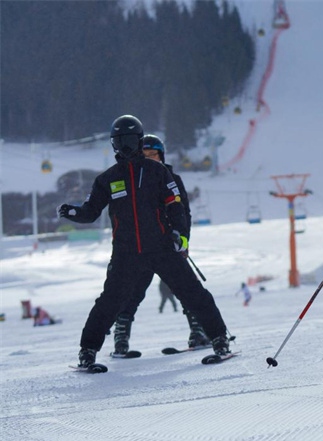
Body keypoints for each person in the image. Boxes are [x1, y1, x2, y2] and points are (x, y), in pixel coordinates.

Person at [58, 115, 232, 369]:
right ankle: (87, 352)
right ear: (114, 144)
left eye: (130, 140)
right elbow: (91, 210)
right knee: (109, 302)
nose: (126, 146)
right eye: (120, 141)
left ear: (139, 141)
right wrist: (75, 213)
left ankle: (219, 340)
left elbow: (177, 207)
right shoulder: (107, 179)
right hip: (126, 254)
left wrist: (179, 236)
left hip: (161, 248)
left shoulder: (157, 172)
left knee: (193, 293)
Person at [110, 135, 211, 356]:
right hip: (139, 247)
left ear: (161, 155)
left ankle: (198, 332)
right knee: (132, 291)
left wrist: (183, 240)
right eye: (144, 155)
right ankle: (120, 340)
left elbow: (183, 212)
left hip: (168, 245)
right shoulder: (130, 178)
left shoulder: (171, 178)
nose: (149, 159)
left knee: (186, 289)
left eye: (153, 154)